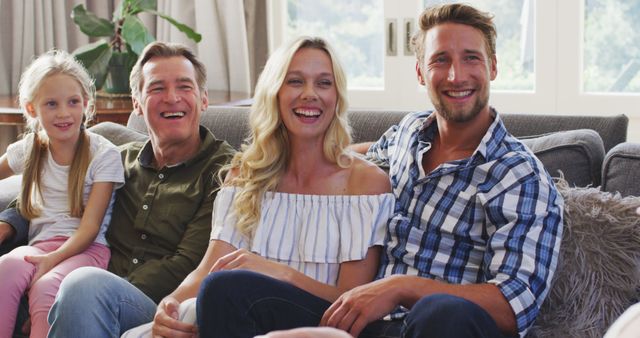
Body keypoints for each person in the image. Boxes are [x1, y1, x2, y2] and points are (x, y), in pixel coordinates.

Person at [239, 4, 564, 338]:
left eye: (471, 58)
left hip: (439, 327)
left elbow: (513, 306)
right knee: (231, 289)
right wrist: (281, 160)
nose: (456, 75)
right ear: (421, 72)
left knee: (441, 312)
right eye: (440, 60)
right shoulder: (409, 133)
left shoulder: (520, 177)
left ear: (492, 67)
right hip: (361, 323)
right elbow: (352, 156)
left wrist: (401, 288)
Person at [121, 36, 394, 338]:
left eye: (324, 83)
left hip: (322, 323)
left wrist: (278, 272)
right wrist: (170, 302)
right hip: (239, 318)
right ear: (274, 92)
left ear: (337, 96)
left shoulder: (365, 183)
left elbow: (352, 300)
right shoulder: (244, 175)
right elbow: (209, 269)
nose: (310, 94)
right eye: (294, 81)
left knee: (225, 289)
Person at [0, 41, 235, 337]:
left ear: (203, 99)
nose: (172, 98)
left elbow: (189, 262)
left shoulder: (225, 171)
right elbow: (54, 194)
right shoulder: (117, 159)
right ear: (136, 102)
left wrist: (82, 295)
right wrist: (9, 223)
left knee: (82, 284)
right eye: (157, 88)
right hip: (82, 291)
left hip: (157, 306)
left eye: (184, 87)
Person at [0, 50, 125, 338]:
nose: (64, 113)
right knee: (6, 266)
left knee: (46, 286)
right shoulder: (30, 149)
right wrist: (45, 257)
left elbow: (91, 228)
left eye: (73, 102)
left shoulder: (103, 154)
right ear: (32, 109)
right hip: (40, 245)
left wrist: (53, 259)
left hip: (86, 250)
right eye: (51, 104)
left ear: (86, 104)